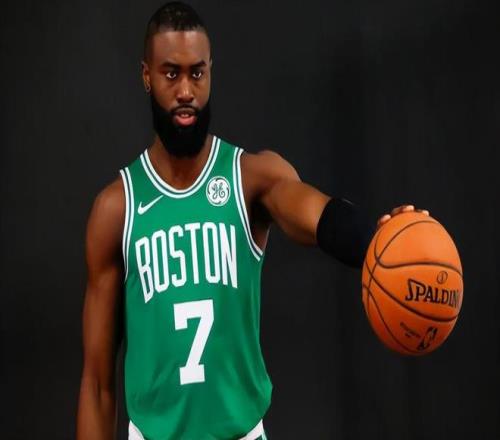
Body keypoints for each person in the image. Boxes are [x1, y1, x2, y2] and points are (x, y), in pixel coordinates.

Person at [76, 2, 428, 439]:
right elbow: (97, 385)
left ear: (211, 72)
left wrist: (378, 239)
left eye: (197, 73)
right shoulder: (118, 208)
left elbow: (316, 214)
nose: (185, 90)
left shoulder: (251, 178)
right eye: (171, 74)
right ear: (147, 76)